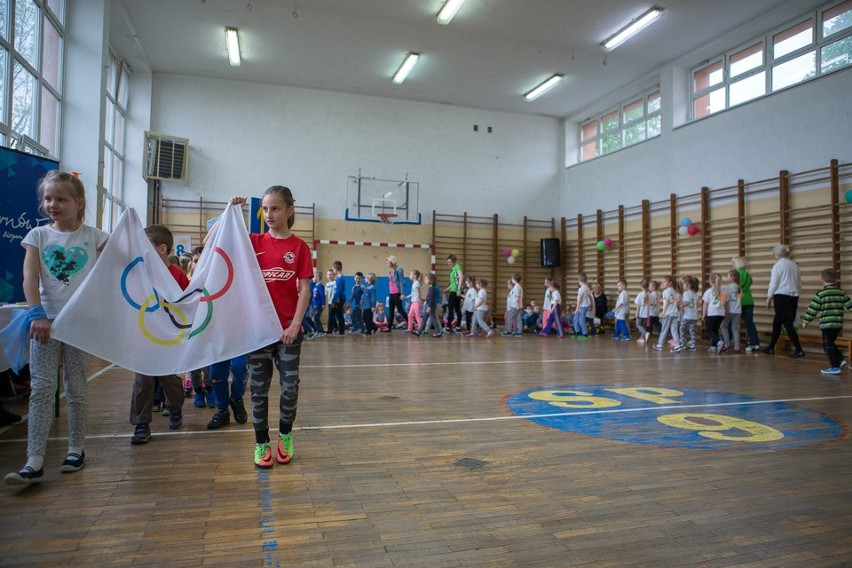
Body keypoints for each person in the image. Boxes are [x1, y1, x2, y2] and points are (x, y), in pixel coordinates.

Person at [5, 171, 108, 486]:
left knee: (76, 388)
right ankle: (34, 460)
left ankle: (76, 449)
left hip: (80, 324)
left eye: (61, 199)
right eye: (48, 199)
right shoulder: (38, 236)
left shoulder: (95, 237)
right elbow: (29, 277)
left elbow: (111, 272)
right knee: (41, 390)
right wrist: (37, 313)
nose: (53, 204)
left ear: (79, 203)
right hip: (44, 324)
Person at [228, 187, 312, 469]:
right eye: (265, 209)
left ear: (289, 210)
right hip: (258, 333)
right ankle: (261, 443)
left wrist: (296, 324)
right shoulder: (253, 241)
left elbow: (304, 289)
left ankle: (285, 436)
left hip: (288, 333)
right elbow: (214, 241)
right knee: (259, 389)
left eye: (275, 208)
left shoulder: (300, 247)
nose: (269, 214)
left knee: (290, 388)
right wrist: (231, 211)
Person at [129, 224, 189, 444]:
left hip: (168, 337)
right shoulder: (139, 274)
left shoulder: (178, 276)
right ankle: (141, 424)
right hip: (144, 336)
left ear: (161, 249)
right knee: (142, 380)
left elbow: (187, 305)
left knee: (168, 377)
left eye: (146, 246)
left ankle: (175, 408)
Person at [801, 268, 852, 375]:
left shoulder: (820, 294)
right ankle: (840, 359)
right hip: (837, 324)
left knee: (827, 345)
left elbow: (812, 309)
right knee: (829, 343)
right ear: (836, 280)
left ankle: (834, 366)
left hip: (827, 324)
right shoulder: (841, 293)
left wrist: (806, 320)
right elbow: (850, 305)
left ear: (822, 280)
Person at [762, 244, 805, 358]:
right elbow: (799, 282)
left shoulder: (777, 266)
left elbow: (774, 283)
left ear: (777, 254)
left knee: (787, 323)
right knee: (777, 321)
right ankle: (771, 347)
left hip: (781, 296)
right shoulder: (794, 265)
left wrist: (769, 297)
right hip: (793, 296)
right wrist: (796, 292)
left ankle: (799, 349)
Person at [206, 356, 248, 429]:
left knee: (240, 367)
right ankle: (223, 411)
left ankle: (236, 399)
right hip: (217, 346)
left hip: (240, 345)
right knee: (216, 373)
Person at [732, 256, 760, 352]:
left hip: (739, 301)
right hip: (749, 300)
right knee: (749, 323)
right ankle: (755, 343)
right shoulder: (748, 275)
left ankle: (727, 342)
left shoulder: (735, 274)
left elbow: (734, 288)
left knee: (731, 322)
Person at [653, 275, 681, 352]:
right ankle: (677, 345)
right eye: (663, 282)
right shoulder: (674, 292)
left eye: (665, 282)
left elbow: (666, 302)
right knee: (674, 330)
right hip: (675, 314)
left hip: (668, 314)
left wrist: (663, 312)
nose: (663, 283)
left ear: (670, 283)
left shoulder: (666, 291)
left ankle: (660, 345)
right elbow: (675, 302)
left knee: (664, 329)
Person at [703, 273, 726, 353]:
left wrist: (704, 314)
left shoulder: (708, 292)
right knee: (715, 330)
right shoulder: (723, 291)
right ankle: (713, 347)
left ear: (710, 281)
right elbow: (723, 303)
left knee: (709, 330)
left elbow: (705, 304)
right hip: (721, 314)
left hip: (712, 313)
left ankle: (719, 342)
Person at [720, 270, 743, 353]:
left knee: (724, 326)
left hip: (730, 310)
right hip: (738, 311)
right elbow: (740, 298)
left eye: (728, 275)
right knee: (734, 328)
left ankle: (727, 343)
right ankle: (737, 346)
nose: (727, 277)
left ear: (732, 277)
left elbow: (724, 299)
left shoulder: (728, 287)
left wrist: (724, 310)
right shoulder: (739, 287)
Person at [415, 272, 443, 338]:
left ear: (430, 280)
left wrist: (429, 307)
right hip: (429, 305)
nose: (425, 281)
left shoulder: (432, 288)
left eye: (426, 279)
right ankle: (419, 332)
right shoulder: (431, 288)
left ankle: (439, 332)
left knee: (433, 319)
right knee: (425, 318)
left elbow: (432, 298)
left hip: (431, 306)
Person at [678, 276, 700, 351]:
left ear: (688, 285)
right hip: (694, 316)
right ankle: (693, 345)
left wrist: (680, 306)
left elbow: (686, 302)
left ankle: (682, 343)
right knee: (692, 330)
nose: (683, 286)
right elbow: (697, 304)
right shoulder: (696, 294)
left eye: (683, 284)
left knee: (681, 328)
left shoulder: (686, 293)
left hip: (687, 316)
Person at [443, 255, 464, 332]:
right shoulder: (453, 269)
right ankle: (457, 327)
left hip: (455, 291)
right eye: (447, 262)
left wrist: (459, 289)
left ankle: (449, 327)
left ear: (454, 261)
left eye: (450, 262)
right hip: (453, 290)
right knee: (457, 309)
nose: (448, 263)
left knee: (451, 309)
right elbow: (454, 282)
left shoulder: (457, 266)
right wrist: (447, 289)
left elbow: (461, 277)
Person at [386, 256, 407, 331]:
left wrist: (402, 293)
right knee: (391, 310)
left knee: (400, 309)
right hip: (391, 293)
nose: (387, 264)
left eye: (388, 262)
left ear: (392, 262)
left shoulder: (399, 270)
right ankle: (389, 327)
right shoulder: (392, 271)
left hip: (396, 292)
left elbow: (401, 282)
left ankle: (410, 323)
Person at [572, 273, 593, 338]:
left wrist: (576, 308)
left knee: (581, 319)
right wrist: (591, 304)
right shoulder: (586, 287)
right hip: (584, 306)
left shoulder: (581, 289)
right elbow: (590, 297)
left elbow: (579, 299)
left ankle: (585, 333)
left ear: (579, 280)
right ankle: (577, 331)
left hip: (582, 307)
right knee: (576, 319)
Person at [330, 260, 346, 335]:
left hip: (339, 299)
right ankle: (338, 329)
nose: (333, 271)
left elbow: (338, 292)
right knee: (338, 314)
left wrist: (333, 301)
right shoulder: (340, 278)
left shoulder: (340, 279)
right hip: (340, 298)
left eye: (333, 269)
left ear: (335, 269)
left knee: (339, 315)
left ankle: (341, 331)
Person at [309, 269, 326, 338]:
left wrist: (323, 303)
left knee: (316, 318)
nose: (313, 278)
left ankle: (321, 331)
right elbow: (313, 296)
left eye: (314, 277)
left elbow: (322, 295)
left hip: (319, 305)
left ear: (318, 278)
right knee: (315, 318)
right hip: (314, 305)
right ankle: (318, 331)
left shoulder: (320, 286)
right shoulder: (315, 286)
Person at [634, 279, 651, 345]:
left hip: (641, 313)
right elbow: (649, 304)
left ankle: (646, 333)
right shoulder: (649, 294)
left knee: (638, 324)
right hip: (646, 313)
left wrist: (636, 313)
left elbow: (638, 305)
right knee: (643, 325)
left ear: (641, 286)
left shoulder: (640, 294)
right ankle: (642, 338)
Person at [324, 268, 337, 334]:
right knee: (332, 315)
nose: (329, 276)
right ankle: (336, 327)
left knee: (330, 315)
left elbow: (336, 293)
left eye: (331, 274)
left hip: (334, 302)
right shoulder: (327, 284)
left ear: (334, 275)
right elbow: (325, 293)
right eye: (328, 274)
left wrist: (334, 302)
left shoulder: (335, 283)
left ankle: (330, 329)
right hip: (329, 302)